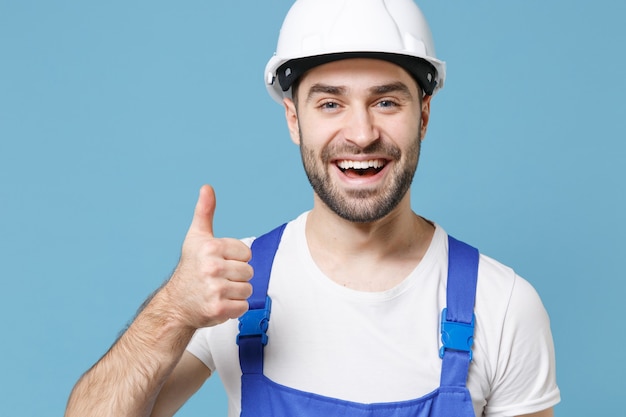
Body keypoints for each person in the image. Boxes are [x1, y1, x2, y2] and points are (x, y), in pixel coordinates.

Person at [65, 0, 560, 416]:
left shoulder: (503, 306)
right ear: (293, 120)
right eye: (330, 104)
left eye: (387, 102)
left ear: (423, 115)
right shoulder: (234, 286)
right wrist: (173, 309)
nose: (362, 134)